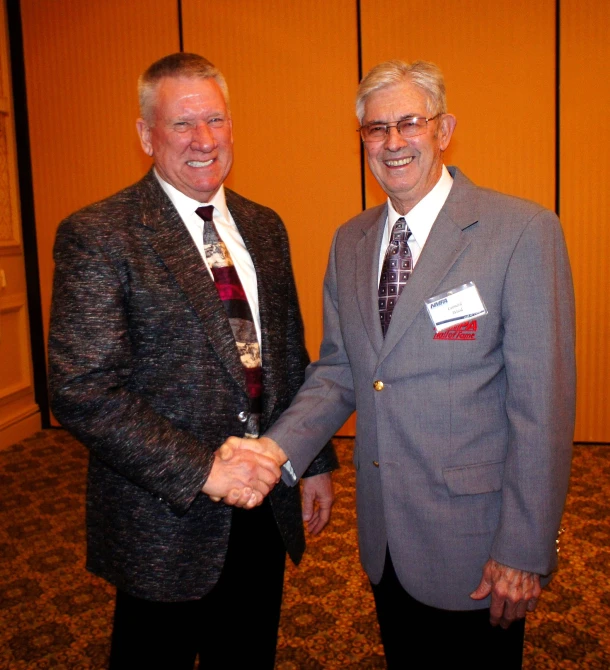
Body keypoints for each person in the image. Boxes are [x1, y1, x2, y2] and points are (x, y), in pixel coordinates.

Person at [225, 60, 575, 668]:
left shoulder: (521, 231)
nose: (392, 142)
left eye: (409, 122)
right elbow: (339, 371)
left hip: (480, 539)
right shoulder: (351, 240)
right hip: (386, 534)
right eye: (375, 128)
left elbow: (543, 406)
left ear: (444, 129)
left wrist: (524, 547)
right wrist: (274, 451)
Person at [48, 52, 337, 670]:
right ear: (146, 135)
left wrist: (313, 460)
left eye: (215, 120)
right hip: (164, 514)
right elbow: (81, 388)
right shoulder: (101, 233)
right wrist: (205, 470)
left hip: (264, 503)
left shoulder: (264, 227)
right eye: (182, 124)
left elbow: (288, 357)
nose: (203, 140)